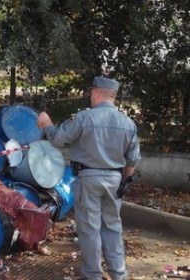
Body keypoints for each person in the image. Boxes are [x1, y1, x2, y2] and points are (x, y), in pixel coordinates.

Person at [37, 77, 141, 280]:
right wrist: (124, 182)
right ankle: (119, 275)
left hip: (88, 180)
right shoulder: (128, 123)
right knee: (112, 227)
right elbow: (133, 159)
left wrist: (47, 123)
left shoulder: (84, 118)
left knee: (90, 229)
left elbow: (58, 139)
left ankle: (92, 275)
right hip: (114, 181)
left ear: (96, 93)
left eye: (91, 93)